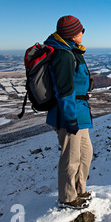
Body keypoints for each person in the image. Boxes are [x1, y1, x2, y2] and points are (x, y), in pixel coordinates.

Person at [44, 15, 93, 209]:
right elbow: (64, 90)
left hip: (79, 112)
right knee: (70, 158)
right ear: (73, 33)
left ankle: (80, 190)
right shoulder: (63, 55)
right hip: (68, 114)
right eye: (81, 30)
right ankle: (67, 198)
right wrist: (70, 118)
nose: (83, 33)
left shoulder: (71, 51)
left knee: (85, 153)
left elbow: (76, 80)